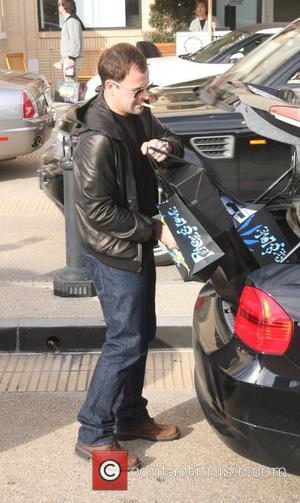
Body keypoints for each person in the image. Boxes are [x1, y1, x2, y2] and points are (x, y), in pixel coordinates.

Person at [72, 43, 184, 469]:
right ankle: (93, 433)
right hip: (114, 254)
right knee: (124, 341)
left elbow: (174, 140)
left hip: (133, 247)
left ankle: (131, 417)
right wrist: (155, 230)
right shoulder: (97, 139)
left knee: (140, 333)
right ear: (110, 86)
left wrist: (165, 149)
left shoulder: (136, 114)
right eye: (139, 91)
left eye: (147, 89)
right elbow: (97, 211)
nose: (146, 98)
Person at [57, 0, 84, 80]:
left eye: (59, 4)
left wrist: (72, 58)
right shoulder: (69, 21)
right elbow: (68, 44)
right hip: (69, 59)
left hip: (71, 60)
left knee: (71, 88)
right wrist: (62, 61)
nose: (58, 6)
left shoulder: (72, 21)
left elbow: (75, 41)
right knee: (70, 87)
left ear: (64, 6)